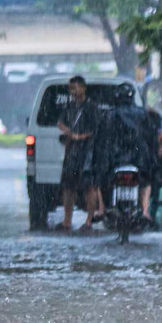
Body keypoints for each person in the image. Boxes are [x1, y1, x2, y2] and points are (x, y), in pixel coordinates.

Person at [94, 83, 159, 221]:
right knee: (146, 180)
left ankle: (101, 209)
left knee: (99, 179)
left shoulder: (109, 114)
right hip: (139, 158)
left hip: (115, 158)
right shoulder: (143, 114)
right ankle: (145, 211)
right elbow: (151, 137)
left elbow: (101, 140)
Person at [57, 75, 99, 231]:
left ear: (83, 88)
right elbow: (60, 122)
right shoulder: (68, 107)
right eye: (70, 89)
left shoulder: (91, 107)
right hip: (71, 152)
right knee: (68, 187)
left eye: (75, 88)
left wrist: (79, 137)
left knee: (89, 187)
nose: (72, 92)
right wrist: (68, 132)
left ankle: (89, 220)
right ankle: (67, 221)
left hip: (87, 152)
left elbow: (96, 130)